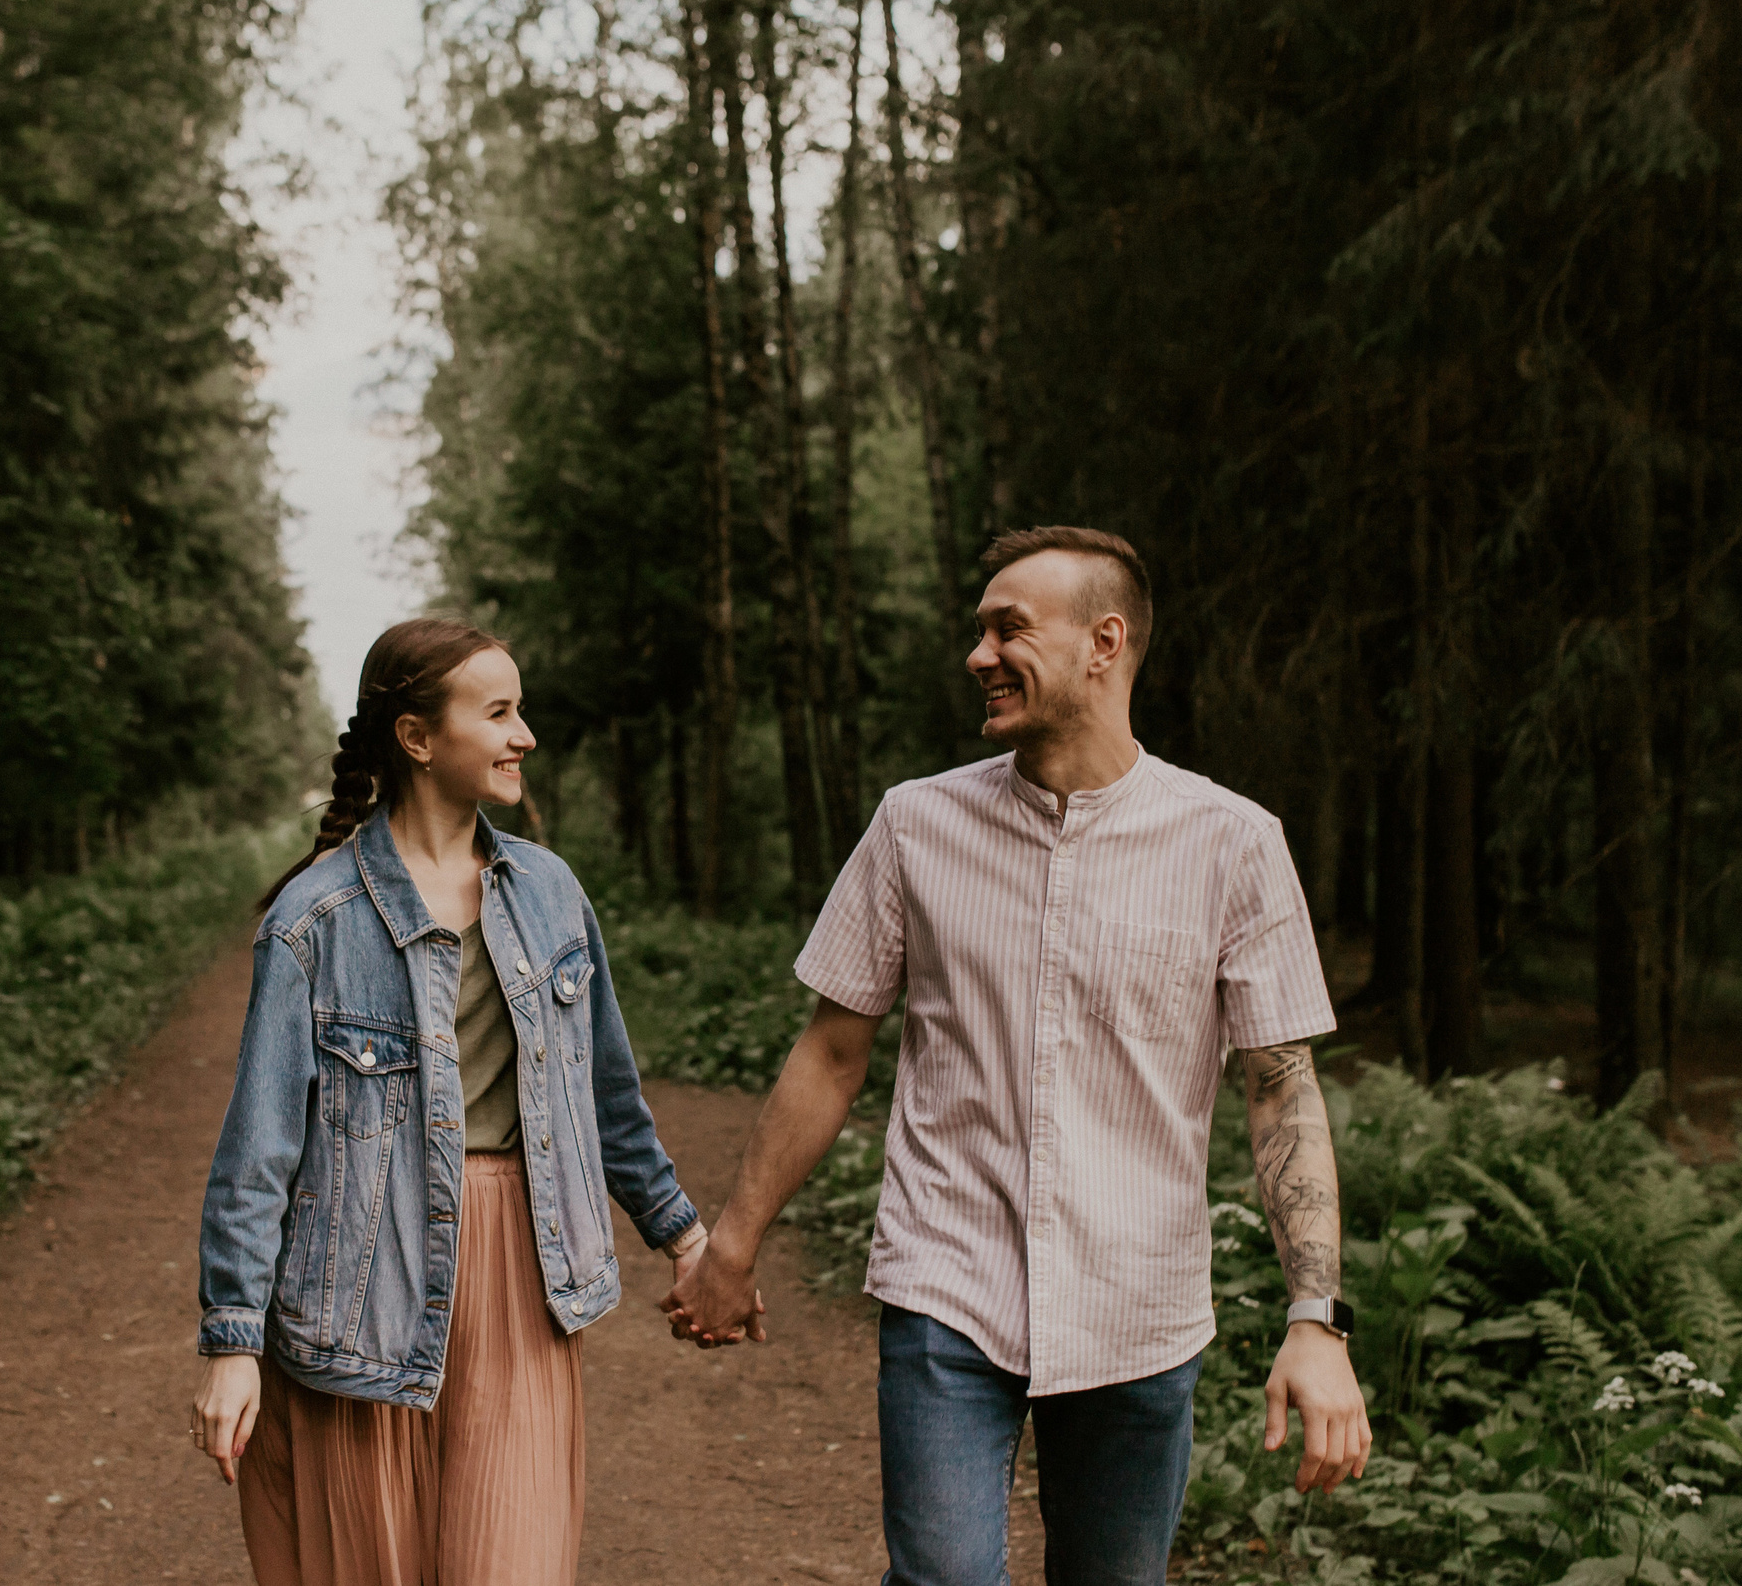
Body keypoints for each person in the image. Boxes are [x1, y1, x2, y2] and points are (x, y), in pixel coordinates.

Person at [666, 526, 1372, 1586]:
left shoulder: (1232, 841)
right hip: (947, 1279)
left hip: (1138, 1304)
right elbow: (831, 1050)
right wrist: (732, 1241)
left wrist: (1317, 1322)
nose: (978, 655)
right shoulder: (915, 824)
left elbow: (1280, 1089)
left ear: (1104, 642)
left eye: (1008, 629)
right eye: (979, 630)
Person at [192, 616, 710, 1585]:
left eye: (522, 711)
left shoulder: (551, 891)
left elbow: (606, 1093)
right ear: (418, 738)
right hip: (362, 1285)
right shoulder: (313, 919)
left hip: (521, 1278)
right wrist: (231, 1341)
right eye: (500, 713)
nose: (525, 736)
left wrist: (682, 1236)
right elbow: (258, 1152)